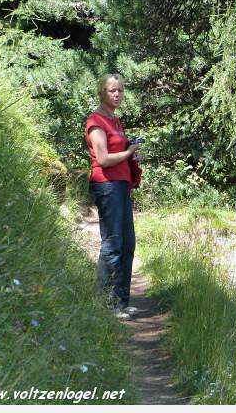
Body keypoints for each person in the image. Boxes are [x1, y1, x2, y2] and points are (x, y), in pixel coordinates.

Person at [85, 73, 143, 320]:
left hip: (121, 185)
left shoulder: (116, 121)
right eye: (112, 91)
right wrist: (128, 151)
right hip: (106, 186)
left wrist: (132, 156)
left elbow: (118, 154)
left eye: (120, 90)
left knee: (127, 244)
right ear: (102, 93)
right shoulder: (96, 122)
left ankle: (121, 301)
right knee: (112, 245)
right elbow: (104, 159)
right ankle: (106, 304)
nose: (117, 94)